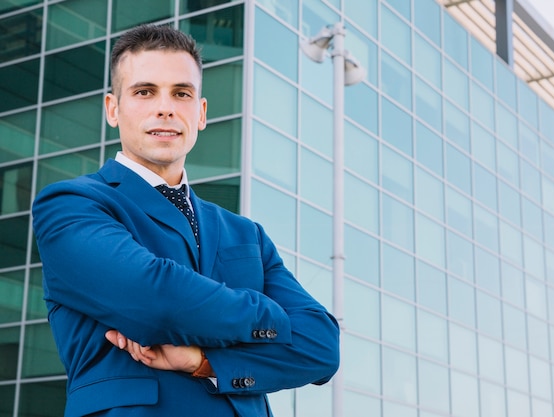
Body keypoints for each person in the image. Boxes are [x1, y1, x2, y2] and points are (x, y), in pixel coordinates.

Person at [32, 24, 340, 417]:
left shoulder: (246, 234)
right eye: (144, 92)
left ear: (201, 112)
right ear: (113, 109)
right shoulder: (73, 205)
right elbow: (154, 298)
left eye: (181, 93)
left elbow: (322, 346)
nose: (166, 108)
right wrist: (270, 317)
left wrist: (202, 361)